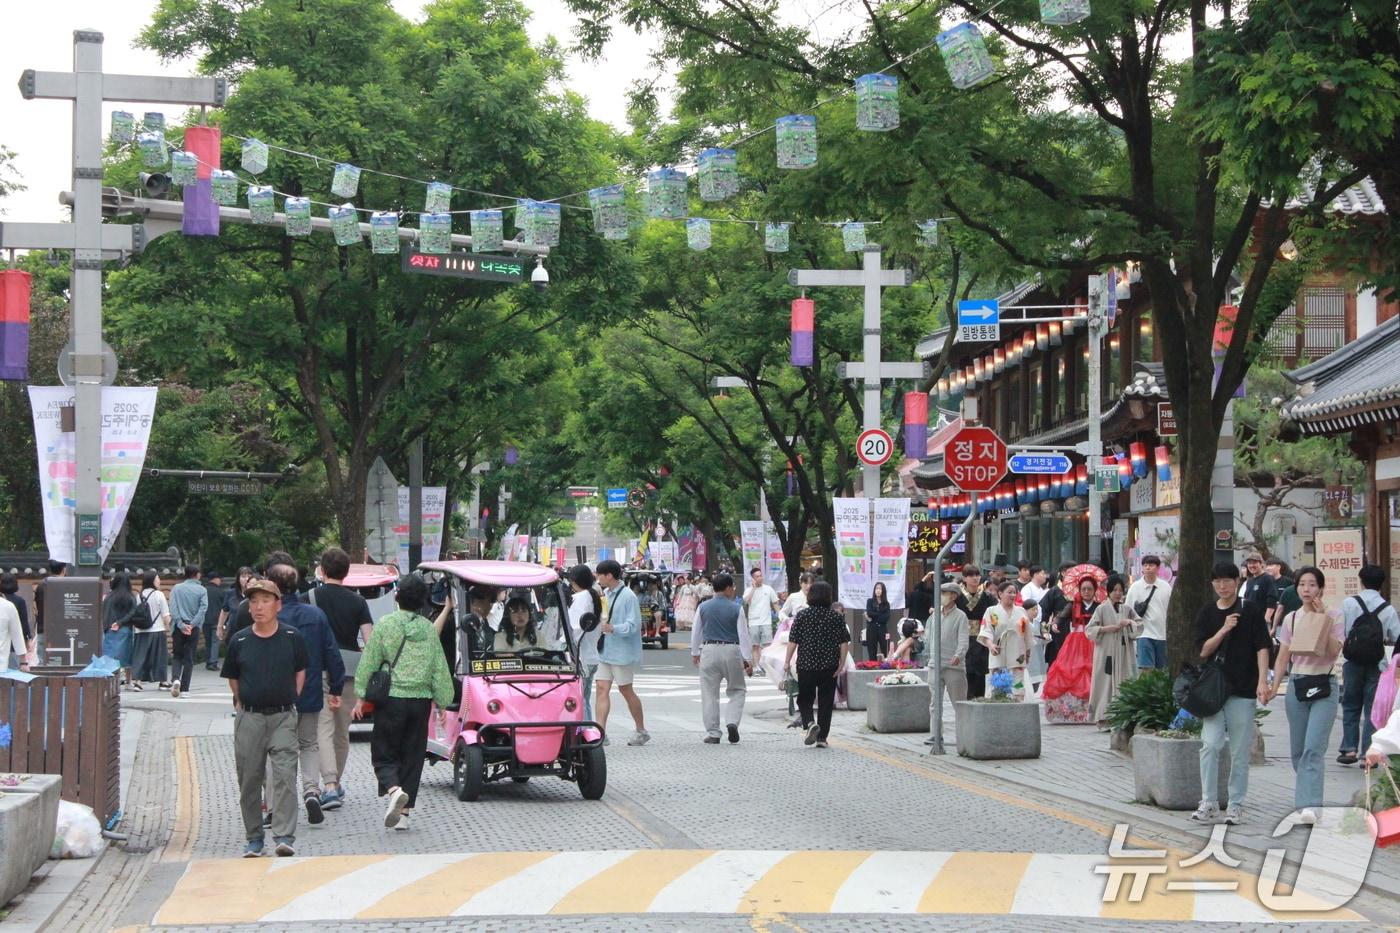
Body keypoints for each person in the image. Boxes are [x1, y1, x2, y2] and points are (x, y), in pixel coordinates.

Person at [352, 574, 454, 832]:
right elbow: (439, 668)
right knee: (412, 755)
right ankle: (404, 815)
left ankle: (394, 789)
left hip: (391, 700)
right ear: (422, 602)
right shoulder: (428, 630)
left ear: (397, 596)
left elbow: (370, 661)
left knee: (384, 751)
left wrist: (361, 694)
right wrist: (443, 702)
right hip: (420, 703)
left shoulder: (386, 625)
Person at [221, 578, 309, 858]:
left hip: (283, 716)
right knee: (249, 779)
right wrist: (242, 700)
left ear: (278, 605)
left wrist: (292, 697)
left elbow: (300, 671)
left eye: (265, 601)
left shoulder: (292, 637)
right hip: (250, 718)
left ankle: (284, 835)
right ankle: (254, 838)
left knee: (285, 775)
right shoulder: (240, 640)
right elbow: (233, 677)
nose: (259, 607)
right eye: (254, 601)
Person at [1192, 561, 1272, 825]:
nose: (1223, 586)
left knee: (1239, 751)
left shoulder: (1250, 610)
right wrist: (1224, 629)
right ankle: (1208, 802)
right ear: (1212, 584)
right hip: (1215, 692)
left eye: (1228, 580)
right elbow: (1203, 650)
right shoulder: (1207, 612)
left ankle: (1235, 804)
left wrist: (1263, 681)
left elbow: (1262, 647)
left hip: (1244, 689)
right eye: (1218, 581)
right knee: (1210, 744)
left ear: (1237, 582)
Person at [265, 564, 344, 827]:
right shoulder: (315, 615)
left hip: (275, 694)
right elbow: (331, 652)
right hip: (310, 688)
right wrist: (336, 688)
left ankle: (275, 806)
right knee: (309, 743)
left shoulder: (268, 617)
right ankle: (311, 790)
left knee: (275, 749)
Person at [1268, 566, 1344, 821]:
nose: (1307, 589)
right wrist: (1273, 687)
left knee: (1313, 748)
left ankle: (1310, 806)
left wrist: (1322, 619)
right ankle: (1306, 803)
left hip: (1324, 684)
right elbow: (1282, 658)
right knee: (1298, 751)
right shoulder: (1291, 618)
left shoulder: (1334, 615)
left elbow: (1334, 651)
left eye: (1312, 584)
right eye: (1302, 584)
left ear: (1320, 588)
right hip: (1297, 685)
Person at [308, 547, 373, 811]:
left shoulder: (309, 597)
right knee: (342, 731)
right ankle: (335, 783)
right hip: (349, 671)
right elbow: (369, 640)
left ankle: (330, 786)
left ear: (322, 570)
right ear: (346, 573)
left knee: (323, 728)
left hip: (320, 668)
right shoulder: (358, 602)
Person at [1337, 563, 1400, 765]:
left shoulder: (1349, 603)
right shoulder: (1387, 608)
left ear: (1361, 581)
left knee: (1350, 703)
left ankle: (1349, 749)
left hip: (1352, 661)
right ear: (1382, 583)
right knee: (1373, 708)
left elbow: (1342, 631)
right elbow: (1396, 636)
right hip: (1377, 664)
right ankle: (1367, 754)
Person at [785, 581, 850, 748]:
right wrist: (842, 663)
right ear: (828, 596)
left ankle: (809, 722)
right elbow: (844, 642)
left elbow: (793, 641)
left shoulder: (802, 615)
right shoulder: (836, 617)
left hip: (806, 664)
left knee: (804, 698)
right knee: (826, 701)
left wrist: (787, 661)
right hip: (829, 665)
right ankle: (822, 738)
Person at [691, 573, 752, 744]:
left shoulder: (703, 607)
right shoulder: (736, 608)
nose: (733, 590)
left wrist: (695, 652)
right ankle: (732, 722)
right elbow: (743, 635)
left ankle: (713, 733)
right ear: (728, 588)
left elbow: (696, 631)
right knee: (737, 689)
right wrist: (747, 659)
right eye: (733, 587)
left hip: (709, 649)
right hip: (732, 650)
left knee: (709, 693)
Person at [594, 559, 650, 746]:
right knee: (601, 688)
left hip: (622, 652)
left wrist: (613, 628)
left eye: (600, 574)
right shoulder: (605, 594)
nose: (598, 578)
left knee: (626, 690)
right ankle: (601, 733)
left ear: (609, 575)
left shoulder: (628, 596)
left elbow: (634, 626)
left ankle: (641, 730)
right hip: (605, 649)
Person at [1041, 575, 1100, 724]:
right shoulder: (1073, 605)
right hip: (1075, 643)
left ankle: (1092, 711)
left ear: (1094, 591)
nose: (1086, 592)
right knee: (1070, 670)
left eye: (1089, 589)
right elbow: (1061, 616)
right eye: (1083, 589)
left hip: (1094, 641)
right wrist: (1055, 623)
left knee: (1093, 672)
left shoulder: (1099, 606)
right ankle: (1070, 712)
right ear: (1079, 590)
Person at [1086, 575, 1142, 727]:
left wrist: (1129, 623)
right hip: (1106, 652)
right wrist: (1107, 629)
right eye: (1114, 590)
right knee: (1104, 682)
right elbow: (1089, 630)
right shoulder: (1101, 609)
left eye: (1120, 590)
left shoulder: (1127, 609)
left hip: (1124, 653)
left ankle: (1123, 715)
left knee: (1124, 679)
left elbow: (1139, 625)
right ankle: (1102, 716)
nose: (1117, 593)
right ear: (1109, 592)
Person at [978, 581, 1032, 700]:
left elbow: (1027, 635)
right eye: (1009, 592)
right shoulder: (991, 611)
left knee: (1018, 687)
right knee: (999, 689)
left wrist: (1028, 653)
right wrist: (991, 645)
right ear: (1000, 594)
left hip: (1018, 653)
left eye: (1014, 592)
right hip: (998, 652)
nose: (1012, 595)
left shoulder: (1021, 611)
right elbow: (986, 631)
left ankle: (1018, 705)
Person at [567, 565, 603, 721]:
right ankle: (589, 731)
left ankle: (586, 732)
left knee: (580, 702)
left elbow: (574, 629)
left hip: (581, 659)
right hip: (592, 655)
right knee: (585, 700)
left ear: (574, 581)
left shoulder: (580, 599)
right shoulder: (593, 596)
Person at [168, 565, 209, 698]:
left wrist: (181, 624)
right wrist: (192, 624)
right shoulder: (202, 590)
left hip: (178, 627)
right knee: (189, 657)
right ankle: (185, 689)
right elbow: (203, 609)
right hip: (194, 628)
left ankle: (175, 679)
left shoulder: (177, 588)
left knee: (177, 655)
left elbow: (173, 608)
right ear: (197, 574)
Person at [956, 565, 996, 698]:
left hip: (981, 637)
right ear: (964, 578)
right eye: (971, 575)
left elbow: (994, 615)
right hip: (962, 637)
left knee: (980, 671)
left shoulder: (987, 596)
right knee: (965, 670)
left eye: (977, 575)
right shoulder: (957, 596)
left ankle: (979, 699)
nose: (975, 578)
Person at [1125, 556, 1171, 670]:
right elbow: (1127, 610)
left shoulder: (1166, 587)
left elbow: (1170, 610)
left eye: (1151, 565)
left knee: (1161, 669)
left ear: (1158, 568)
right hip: (1143, 634)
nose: (1148, 568)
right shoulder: (1135, 587)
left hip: (1162, 634)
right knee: (1146, 668)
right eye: (1145, 565)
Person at [132, 572, 172, 687]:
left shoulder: (139, 595)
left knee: (140, 656)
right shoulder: (159, 594)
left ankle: (137, 681)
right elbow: (166, 615)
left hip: (140, 631)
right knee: (159, 657)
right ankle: (162, 681)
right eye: (157, 579)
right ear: (152, 581)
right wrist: (170, 627)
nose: (159, 581)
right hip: (157, 630)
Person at [934, 583, 969, 702]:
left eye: (944, 593)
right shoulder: (935, 614)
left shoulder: (961, 616)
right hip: (934, 664)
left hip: (953, 666)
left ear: (953, 596)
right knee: (934, 704)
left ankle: (962, 717)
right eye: (940, 593)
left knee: (959, 702)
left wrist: (958, 655)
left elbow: (963, 640)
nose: (941, 596)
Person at [101, 573, 137, 686]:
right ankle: (128, 681)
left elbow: (104, 613)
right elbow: (133, 612)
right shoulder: (130, 596)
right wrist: (121, 622)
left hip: (111, 630)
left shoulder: (109, 597)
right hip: (126, 629)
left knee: (110, 656)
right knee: (127, 656)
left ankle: (110, 681)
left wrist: (108, 626)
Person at [742, 568, 780, 675]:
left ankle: (767, 666)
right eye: (757, 576)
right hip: (753, 622)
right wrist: (753, 589)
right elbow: (746, 601)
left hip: (766, 621)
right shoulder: (748, 590)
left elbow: (775, 603)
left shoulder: (768, 589)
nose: (760, 578)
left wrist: (780, 615)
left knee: (767, 645)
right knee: (755, 645)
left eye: (760, 575)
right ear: (753, 578)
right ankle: (758, 667)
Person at [1041, 563, 1076, 666]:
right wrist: (1044, 631)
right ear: (1063, 573)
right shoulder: (1054, 591)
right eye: (1071, 572)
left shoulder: (1080, 590)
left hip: (1076, 628)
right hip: (1058, 628)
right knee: (1057, 660)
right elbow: (1044, 613)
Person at [32, 560, 67, 664]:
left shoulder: (41, 585)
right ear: (64, 570)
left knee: (43, 660)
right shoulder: (67, 585)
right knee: (60, 660)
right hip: (62, 629)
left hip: (43, 627)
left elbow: (36, 607)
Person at [1, 574, 32, 667]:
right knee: (14, 668)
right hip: (15, 644)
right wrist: (27, 638)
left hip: (3, 640)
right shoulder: (19, 601)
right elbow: (23, 622)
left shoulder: (4, 602)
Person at [217, 567, 254, 646]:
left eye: (249, 576)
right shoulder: (230, 593)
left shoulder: (256, 595)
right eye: (243, 576)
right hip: (234, 632)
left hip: (251, 632)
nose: (246, 579)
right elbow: (224, 611)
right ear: (238, 579)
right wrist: (220, 627)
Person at [1241, 551, 1279, 619]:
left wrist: (1267, 618)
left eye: (1254, 563)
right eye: (1249, 563)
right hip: (1250, 618)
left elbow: (1272, 600)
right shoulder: (1249, 581)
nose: (1251, 566)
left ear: (1261, 564)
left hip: (1262, 618)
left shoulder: (1268, 578)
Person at [202, 569, 226, 671]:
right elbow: (224, 607)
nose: (220, 581)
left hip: (205, 620)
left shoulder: (203, 590)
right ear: (215, 579)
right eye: (219, 579)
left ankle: (208, 661)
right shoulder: (221, 592)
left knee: (208, 642)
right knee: (215, 642)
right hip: (217, 620)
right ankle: (213, 662)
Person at [0, 588, 27, 673]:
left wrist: (23, 662)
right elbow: (17, 635)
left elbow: (17, 635)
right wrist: (23, 662)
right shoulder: (8, 606)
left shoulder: (8, 606)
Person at [864, 582, 892, 661]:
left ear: (883, 591)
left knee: (886, 650)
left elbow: (885, 618)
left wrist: (873, 617)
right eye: (876, 588)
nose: (878, 590)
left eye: (880, 589)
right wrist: (880, 614)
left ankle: (886, 666)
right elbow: (869, 612)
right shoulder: (870, 601)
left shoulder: (886, 604)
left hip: (883, 629)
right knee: (872, 651)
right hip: (871, 629)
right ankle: (872, 666)